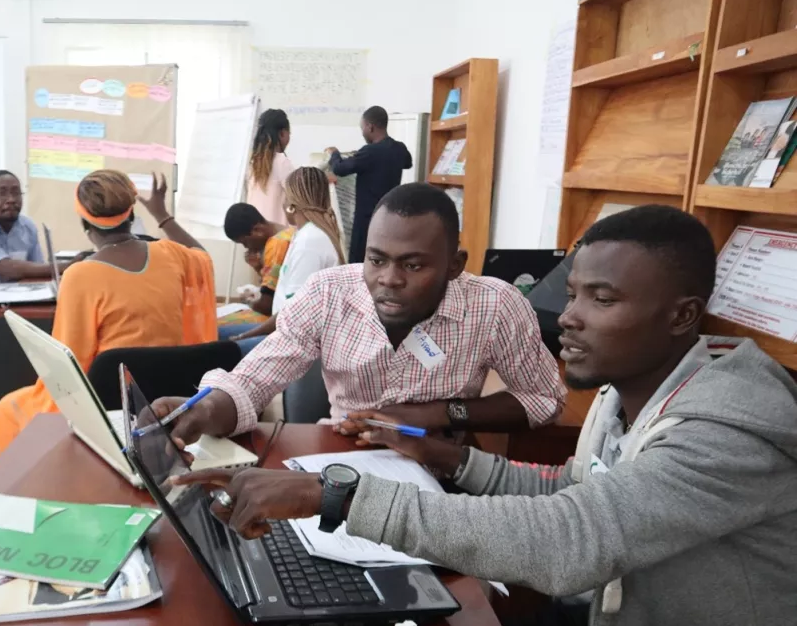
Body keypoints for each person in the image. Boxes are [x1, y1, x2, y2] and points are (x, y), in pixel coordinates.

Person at [170, 205, 797, 626]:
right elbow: (574, 486)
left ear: (681, 316)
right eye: (574, 294)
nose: (568, 319)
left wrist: (334, 495)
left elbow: (572, 537)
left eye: (600, 301)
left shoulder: (723, 432)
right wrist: (448, 460)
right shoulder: (627, 391)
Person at [154, 181, 564, 443]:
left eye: (413, 265)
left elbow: (544, 398)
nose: (389, 279)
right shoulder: (330, 292)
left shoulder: (495, 306)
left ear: (455, 265)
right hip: (342, 455)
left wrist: (438, 413)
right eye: (376, 259)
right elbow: (255, 379)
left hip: (441, 462)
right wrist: (206, 408)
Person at [0, 170, 217, 469]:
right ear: (131, 214)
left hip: (103, 403)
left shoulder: (81, 275)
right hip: (167, 397)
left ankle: (1, 499)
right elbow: (203, 258)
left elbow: (69, 361)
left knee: (8, 407)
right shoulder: (172, 254)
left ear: (84, 223)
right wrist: (161, 213)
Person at [220, 167, 346, 356]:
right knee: (217, 335)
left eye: (285, 196)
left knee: (218, 347)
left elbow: (292, 316)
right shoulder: (304, 235)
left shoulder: (309, 242)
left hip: (293, 344)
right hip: (287, 332)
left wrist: (243, 337)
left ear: (292, 204)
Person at [328, 106, 412, 264]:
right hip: (391, 218)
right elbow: (408, 162)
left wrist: (334, 154)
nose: (362, 132)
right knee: (383, 261)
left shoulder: (369, 152)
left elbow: (339, 168)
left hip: (367, 220)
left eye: (362, 128)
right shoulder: (399, 149)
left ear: (370, 127)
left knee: (359, 262)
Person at [0, 170, 67, 302]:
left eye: (16, 192)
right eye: (1, 193)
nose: (11, 199)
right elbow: (6, 268)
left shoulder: (27, 226)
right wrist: (62, 267)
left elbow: (38, 270)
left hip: (17, 303)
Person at [217, 203, 293, 337]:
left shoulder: (276, 246)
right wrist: (258, 267)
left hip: (282, 323)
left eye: (244, 242)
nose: (246, 247)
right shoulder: (287, 232)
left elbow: (266, 306)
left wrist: (248, 302)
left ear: (258, 230)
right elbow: (277, 284)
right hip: (287, 315)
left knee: (218, 328)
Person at [247, 109, 295, 222]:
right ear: (282, 133)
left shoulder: (253, 163)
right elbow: (300, 193)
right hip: (278, 234)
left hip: (257, 228)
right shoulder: (281, 162)